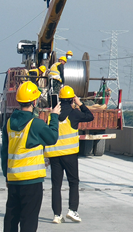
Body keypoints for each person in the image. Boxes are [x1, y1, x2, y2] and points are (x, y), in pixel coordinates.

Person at [2, 80, 60, 232]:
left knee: (11, 218)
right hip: (32, 181)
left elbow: (4, 152)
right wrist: (54, 117)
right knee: (29, 220)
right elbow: (52, 138)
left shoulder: (8, 123)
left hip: (14, 179)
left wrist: (6, 176)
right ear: (34, 101)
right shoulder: (36, 124)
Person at [44, 85, 94, 224]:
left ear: (59, 99)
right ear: (72, 99)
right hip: (70, 155)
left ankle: (57, 215)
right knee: (73, 182)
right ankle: (72, 210)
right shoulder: (75, 113)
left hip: (54, 156)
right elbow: (90, 116)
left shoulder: (52, 115)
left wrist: (46, 156)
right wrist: (81, 104)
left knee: (56, 185)